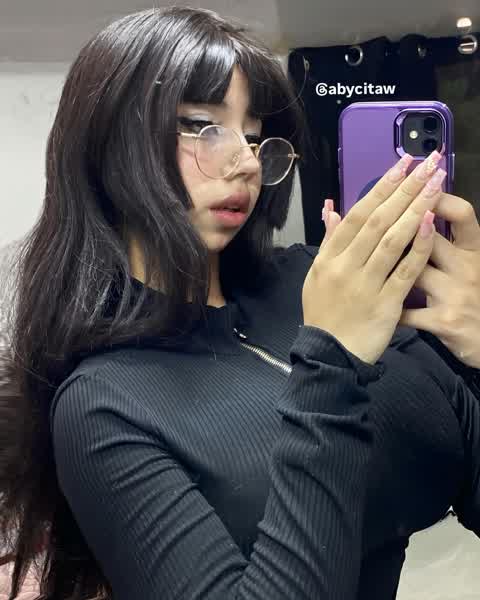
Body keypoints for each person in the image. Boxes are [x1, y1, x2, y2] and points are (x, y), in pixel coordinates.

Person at [1, 6, 480, 600]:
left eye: (255, 136)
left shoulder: (312, 280)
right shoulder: (102, 404)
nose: (248, 162)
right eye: (203, 126)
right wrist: (332, 363)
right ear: (107, 145)